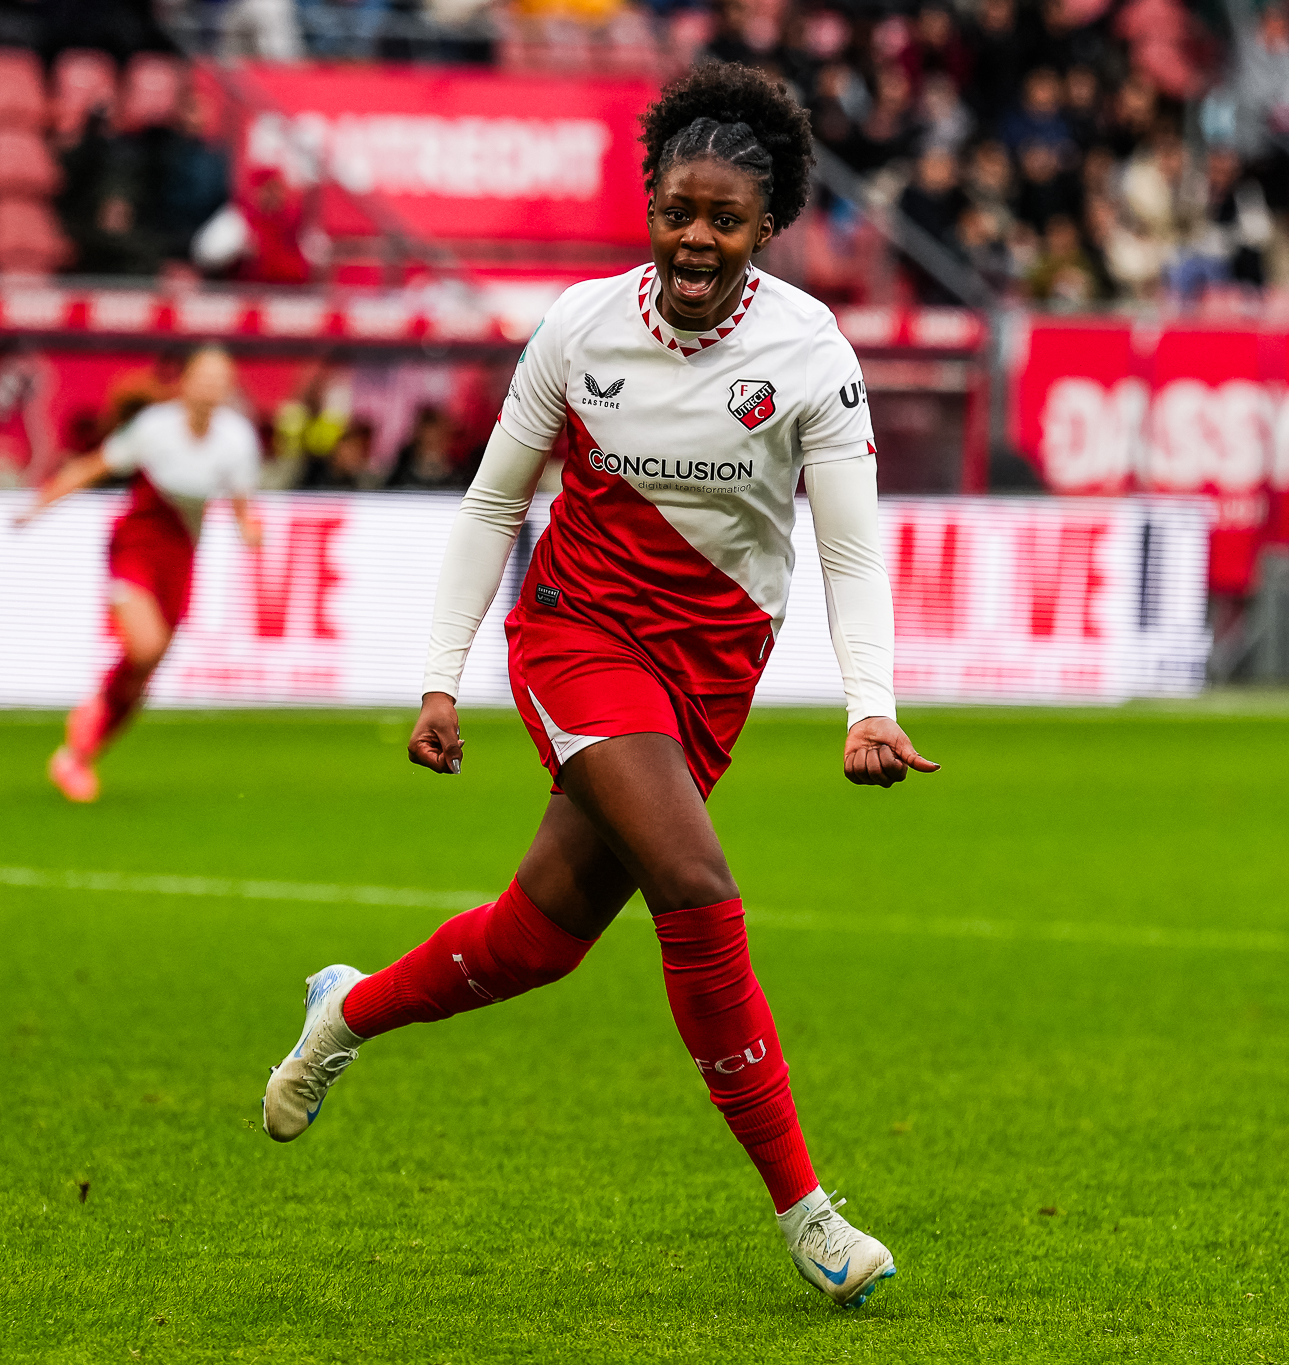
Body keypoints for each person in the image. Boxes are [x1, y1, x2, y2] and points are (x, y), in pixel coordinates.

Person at [257, 62, 935, 1311]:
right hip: (576, 639)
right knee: (695, 883)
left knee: (538, 940)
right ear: (650, 203)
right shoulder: (577, 327)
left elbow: (846, 544)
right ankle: (808, 1216)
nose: (695, 237)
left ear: (764, 226)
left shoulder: (807, 352)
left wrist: (868, 704)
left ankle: (345, 1012)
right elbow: (492, 499)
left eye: (723, 219)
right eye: (678, 209)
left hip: (711, 672)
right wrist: (437, 677)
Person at [14, 346, 264, 802]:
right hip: (136, 544)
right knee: (144, 647)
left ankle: (79, 752)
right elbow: (94, 465)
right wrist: (38, 506)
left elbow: (243, 503)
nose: (211, 386)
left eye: (220, 378)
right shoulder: (156, 427)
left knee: (145, 666)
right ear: (184, 382)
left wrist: (249, 528)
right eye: (203, 376)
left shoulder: (236, 438)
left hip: (182, 555)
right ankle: (86, 730)